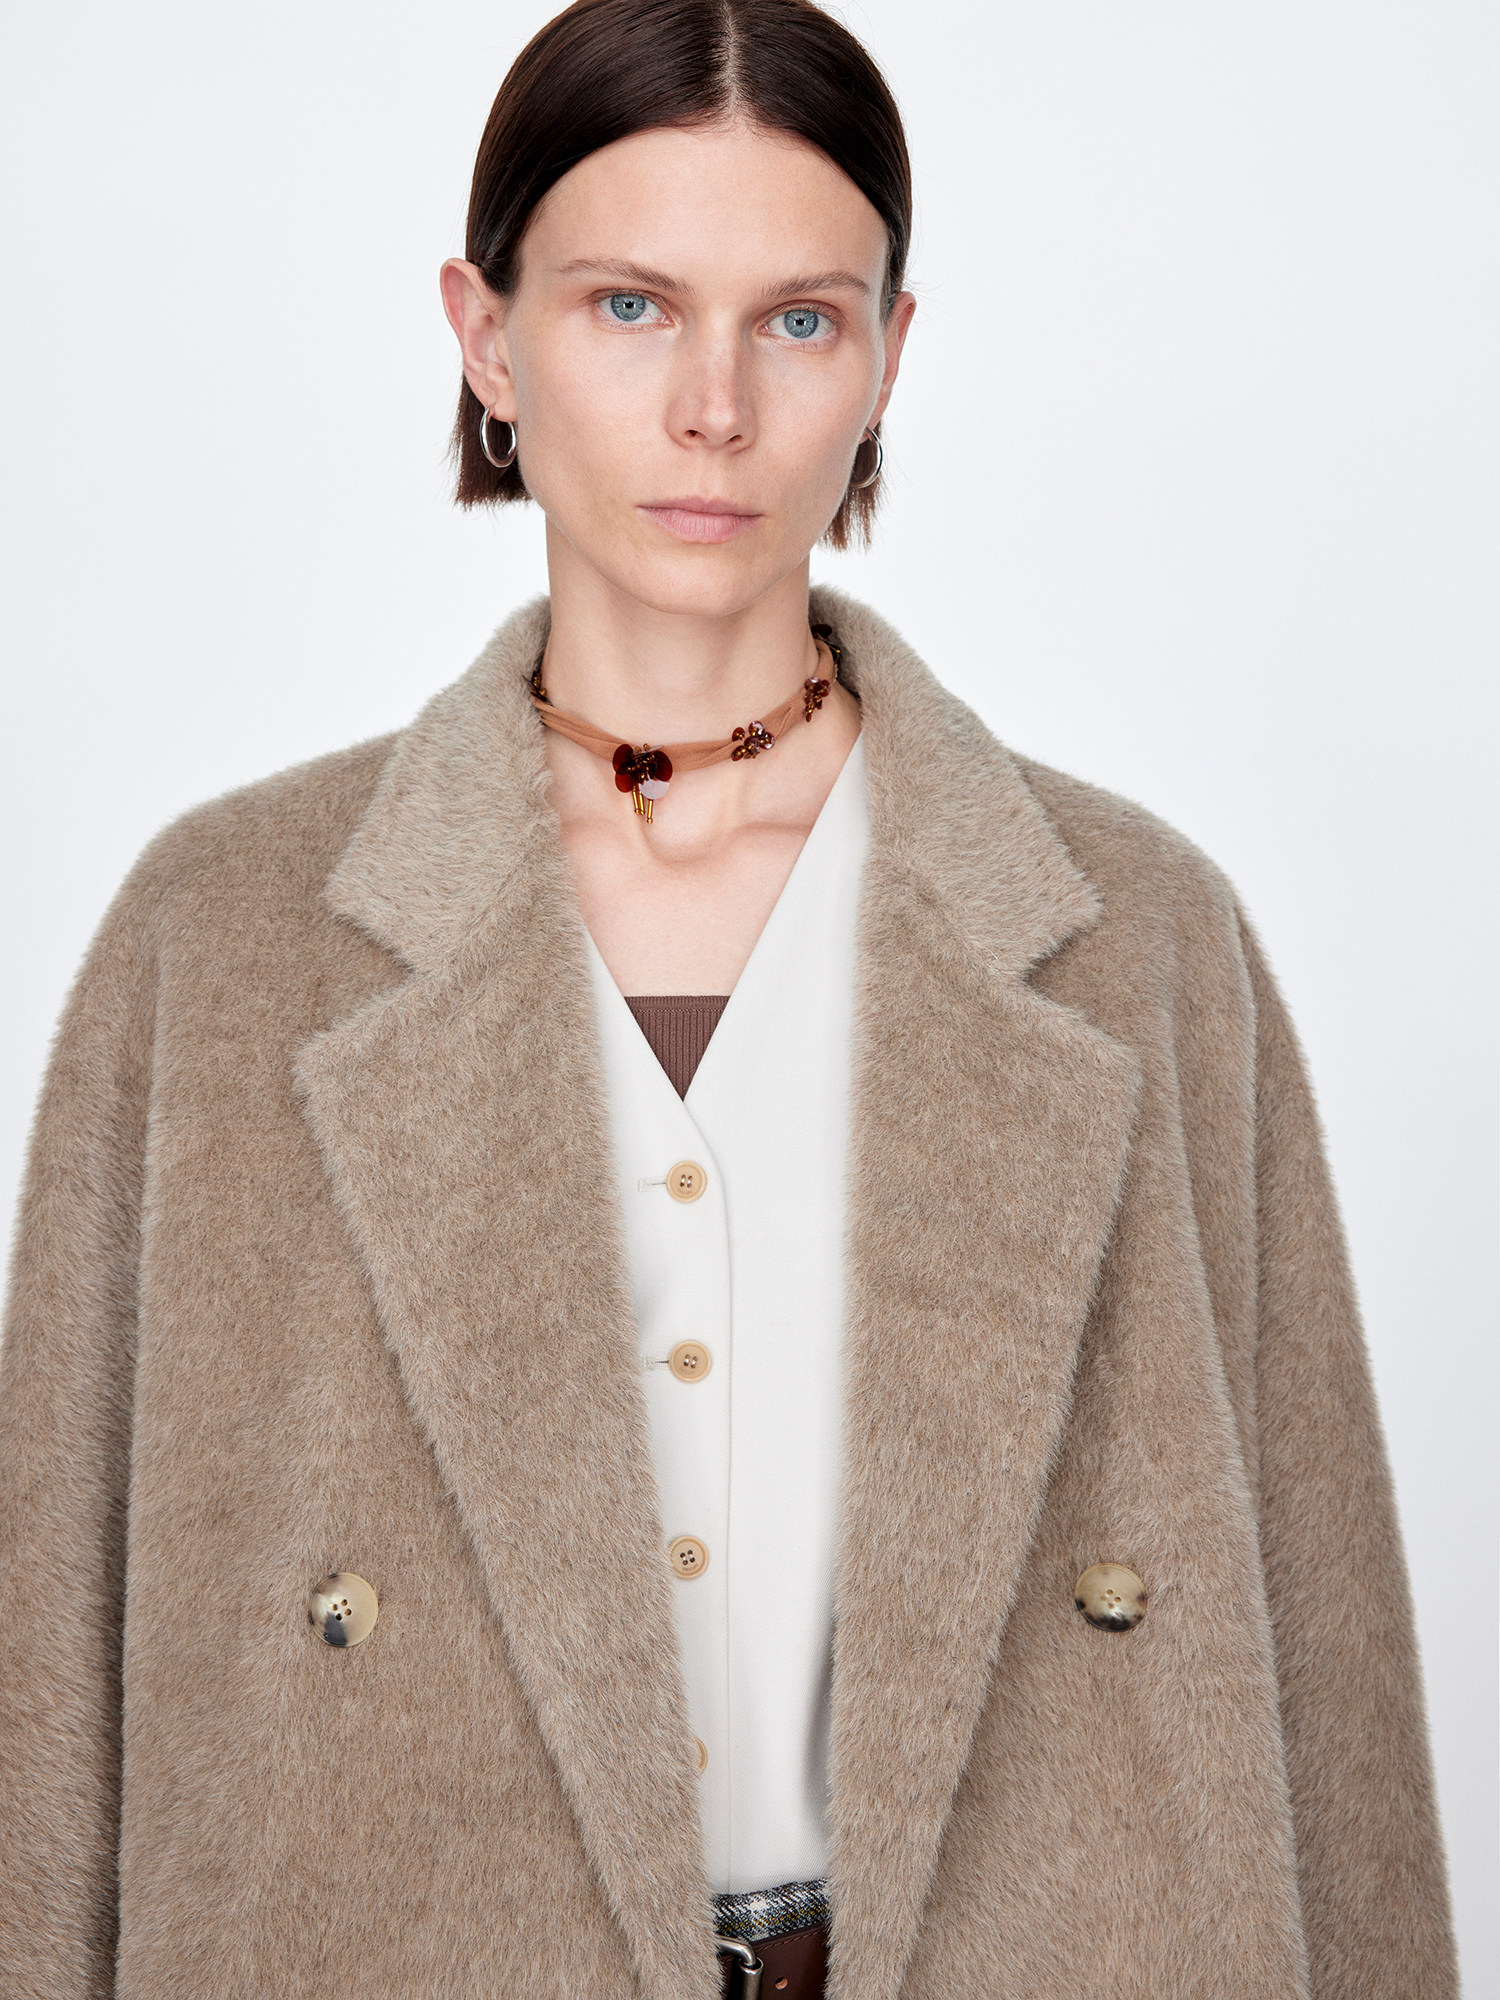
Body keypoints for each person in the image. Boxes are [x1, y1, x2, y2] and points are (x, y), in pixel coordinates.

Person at [0, 0, 1460, 1995]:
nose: (715, 409)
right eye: (629, 307)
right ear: (487, 337)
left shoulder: (1137, 934)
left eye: (799, 320)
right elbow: (47, 1690)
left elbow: (1328, 1673)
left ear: (890, 355)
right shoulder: (223, 936)